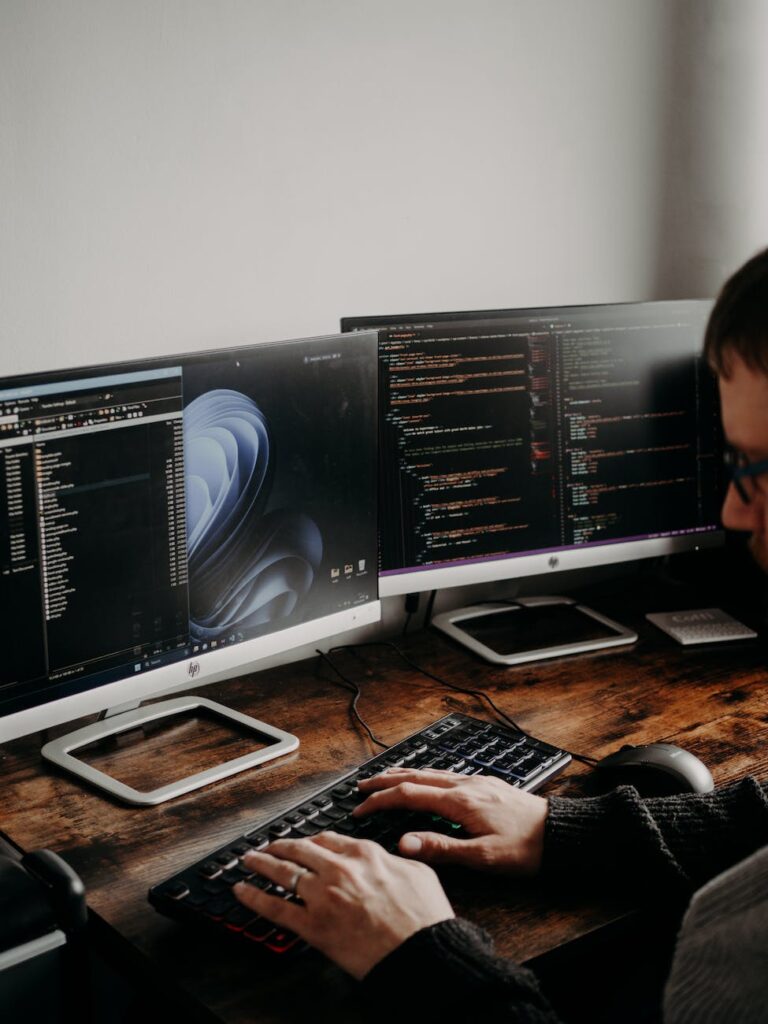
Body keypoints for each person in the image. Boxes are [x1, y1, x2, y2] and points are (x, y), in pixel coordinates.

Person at [234, 248, 768, 1023]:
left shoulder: (741, 950)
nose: (732, 512)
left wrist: (421, 954)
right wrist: (560, 831)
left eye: (755, 467)